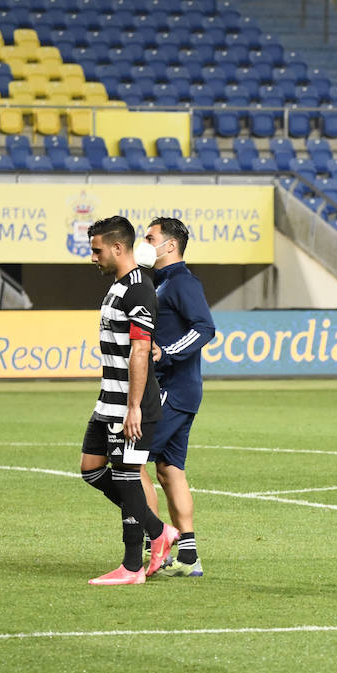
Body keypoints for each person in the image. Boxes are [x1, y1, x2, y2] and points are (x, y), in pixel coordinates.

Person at [78, 215, 176, 585]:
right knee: (92, 470)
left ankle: (133, 565)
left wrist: (133, 407)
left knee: (126, 476)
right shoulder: (120, 286)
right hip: (108, 401)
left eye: (97, 250)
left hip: (130, 405)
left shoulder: (138, 288)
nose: (93, 257)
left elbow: (139, 351)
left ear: (118, 248)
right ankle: (158, 531)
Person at [138, 216, 215, 578]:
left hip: (174, 389)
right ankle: (188, 558)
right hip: (177, 390)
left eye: (150, 237)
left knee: (131, 462)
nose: (145, 242)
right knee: (170, 471)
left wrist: (166, 353)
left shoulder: (183, 282)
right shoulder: (162, 282)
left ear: (170, 245)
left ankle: (153, 543)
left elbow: (205, 327)